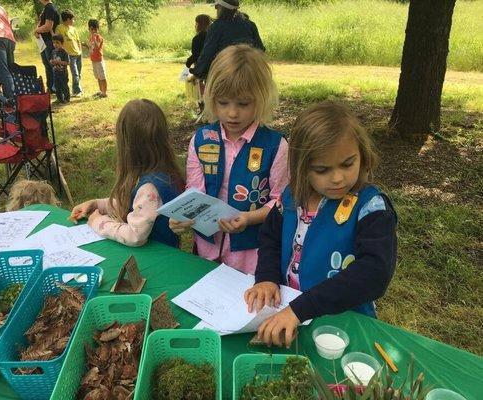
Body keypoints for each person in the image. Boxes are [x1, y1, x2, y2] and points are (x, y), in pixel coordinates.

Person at [244, 102, 398, 348]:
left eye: (348, 164)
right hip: (287, 313)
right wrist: (266, 277)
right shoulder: (292, 197)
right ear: (302, 168)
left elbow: (375, 273)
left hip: (343, 323)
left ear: (362, 153)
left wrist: (300, 309)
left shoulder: (371, 208)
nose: (337, 178)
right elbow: (270, 238)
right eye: (322, 169)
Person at [170, 45, 288, 274]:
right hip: (206, 248)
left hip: (251, 254)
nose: (232, 113)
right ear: (211, 97)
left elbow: (281, 202)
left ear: (261, 98)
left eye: (243, 104)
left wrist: (248, 218)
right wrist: (181, 218)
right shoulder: (201, 139)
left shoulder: (275, 146)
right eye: (223, 103)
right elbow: (194, 191)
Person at [69, 99, 184, 248]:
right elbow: (137, 206)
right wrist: (98, 204)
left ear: (127, 144)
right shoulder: (156, 173)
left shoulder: (150, 187)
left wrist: (98, 221)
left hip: (157, 260)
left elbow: (134, 236)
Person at [191, 0, 264, 79]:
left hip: (225, 72)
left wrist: (197, 71)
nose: (216, 9)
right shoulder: (250, 24)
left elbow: (207, 54)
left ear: (221, 8)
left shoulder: (216, 27)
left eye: (217, 7)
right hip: (251, 71)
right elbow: (260, 49)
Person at [34, 0, 60, 93]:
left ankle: (57, 88)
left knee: (52, 65)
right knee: (48, 65)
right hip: (43, 42)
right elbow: (41, 23)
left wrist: (36, 31)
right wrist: (37, 30)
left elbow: (48, 26)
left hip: (50, 41)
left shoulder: (50, 8)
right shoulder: (46, 8)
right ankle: (51, 87)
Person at [56, 10, 82, 97]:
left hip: (77, 54)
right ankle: (77, 91)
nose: (73, 21)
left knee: (78, 73)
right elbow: (57, 40)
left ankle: (76, 88)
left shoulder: (73, 29)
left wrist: (80, 50)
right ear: (67, 19)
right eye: (72, 19)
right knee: (75, 73)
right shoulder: (60, 28)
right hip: (69, 55)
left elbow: (78, 41)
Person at [87, 19, 107, 98]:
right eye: (90, 29)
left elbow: (97, 46)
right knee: (98, 76)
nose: (92, 31)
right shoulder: (91, 37)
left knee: (102, 76)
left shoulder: (98, 37)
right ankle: (101, 91)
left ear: (97, 29)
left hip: (99, 60)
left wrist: (94, 38)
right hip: (94, 60)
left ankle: (104, 93)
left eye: (94, 29)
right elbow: (91, 47)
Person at [50, 34, 70, 103]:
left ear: (62, 43)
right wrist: (52, 62)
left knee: (64, 85)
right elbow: (52, 60)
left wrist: (59, 62)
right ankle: (59, 99)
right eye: (54, 43)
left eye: (57, 43)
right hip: (56, 72)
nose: (55, 44)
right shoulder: (53, 52)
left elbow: (67, 62)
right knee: (57, 86)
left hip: (63, 72)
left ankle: (67, 98)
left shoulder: (64, 52)